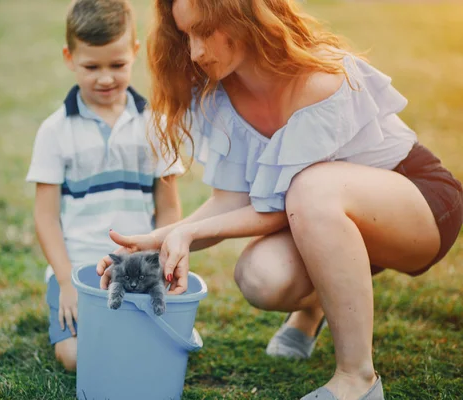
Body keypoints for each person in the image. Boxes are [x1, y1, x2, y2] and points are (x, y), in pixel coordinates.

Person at [96, 0, 463, 398]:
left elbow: (282, 204)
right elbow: (232, 204)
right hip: (332, 219)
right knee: (261, 277)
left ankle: (357, 379)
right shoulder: (219, 95)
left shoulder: (320, 79)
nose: (195, 52)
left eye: (204, 31)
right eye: (186, 35)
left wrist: (186, 234)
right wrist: (152, 242)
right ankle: (316, 306)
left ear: (244, 15)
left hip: (419, 204)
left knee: (310, 188)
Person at [26, 0, 184, 372]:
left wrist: (161, 259)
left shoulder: (155, 125)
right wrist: (65, 281)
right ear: (69, 57)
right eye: (91, 66)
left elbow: (169, 208)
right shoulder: (55, 131)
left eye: (117, 65)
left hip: (139, 268)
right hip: (78, 271)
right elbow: (46, 218)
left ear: (134, 53)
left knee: (162, 345)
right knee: (73, 357)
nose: (105, 78)